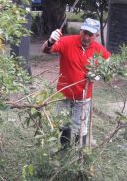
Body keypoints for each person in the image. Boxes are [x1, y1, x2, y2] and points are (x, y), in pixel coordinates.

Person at [42, 18, 111, 148]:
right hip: (64, 92)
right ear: (80, 30)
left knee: (81, 126)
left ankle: (79, 153)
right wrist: (50, 41)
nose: (86, 37)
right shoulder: (67, 41)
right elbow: (46, 50)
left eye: (90, 35)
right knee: (63, 123)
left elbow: (108, 62)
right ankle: (65, 149)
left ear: (96, 36)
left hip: (84, 95)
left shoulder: (98, 49)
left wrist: (100, 73)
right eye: (84, 32)